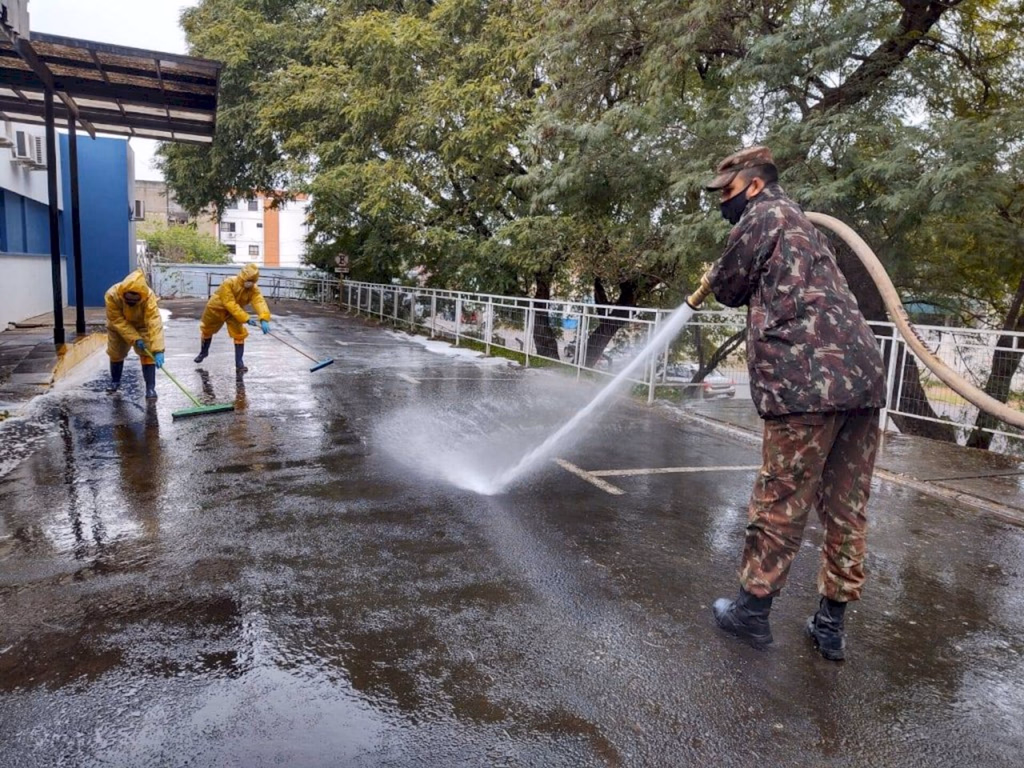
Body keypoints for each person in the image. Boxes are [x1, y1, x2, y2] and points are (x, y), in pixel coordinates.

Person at [700, 146, 887, 661]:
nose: (724, 204)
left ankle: (752, 614)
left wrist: (712, 277)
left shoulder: (764, 216)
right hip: (862, 380)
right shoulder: (806, 224)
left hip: (806, 384)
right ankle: (831, 625)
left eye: (728, 193)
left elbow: (730, 288)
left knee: (781, 500)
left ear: (754, 185)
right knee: (846, 506)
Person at [193, 263, 271, 372]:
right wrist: (246, 318)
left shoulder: (253, 289)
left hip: (234, 313)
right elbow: (229, 303)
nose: (250, 283)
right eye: (248, 280)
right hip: (216, 308)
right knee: (207, 330)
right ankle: (203, 352)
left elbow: (259, 301)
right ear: (242, 276)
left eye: (252, 281)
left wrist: (264, 318)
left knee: (239, 334)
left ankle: (239, 363)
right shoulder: (229, 283)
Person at [104, 269, 165, 399]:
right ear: (123, 294)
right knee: (116, 352)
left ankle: (150, 388)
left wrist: (158, 349)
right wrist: (135, 338)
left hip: (142, 324)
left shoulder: (148, 296)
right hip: (118, 326)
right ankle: (115, 382)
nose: (131, 304)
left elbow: (154, 321)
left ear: (141, 297)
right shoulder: (112, 295)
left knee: (148, 352)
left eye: (134, 301)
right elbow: (117, 320)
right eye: (128, 300)